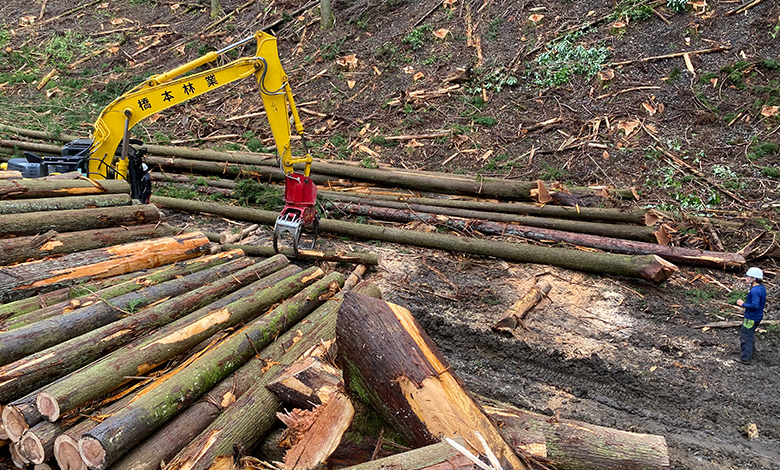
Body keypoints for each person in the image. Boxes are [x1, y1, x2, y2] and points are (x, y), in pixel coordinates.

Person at [735, 267, 767, 365]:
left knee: (745, 337)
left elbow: (755, 305)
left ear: (753, 278)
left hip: (751, 318)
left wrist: (743, 304)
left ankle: (745, 358)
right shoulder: (761, 288)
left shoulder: (754, 291)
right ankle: (752, 353)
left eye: (748, 277)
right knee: (751, 335)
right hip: (758, 316)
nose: (746, 279)